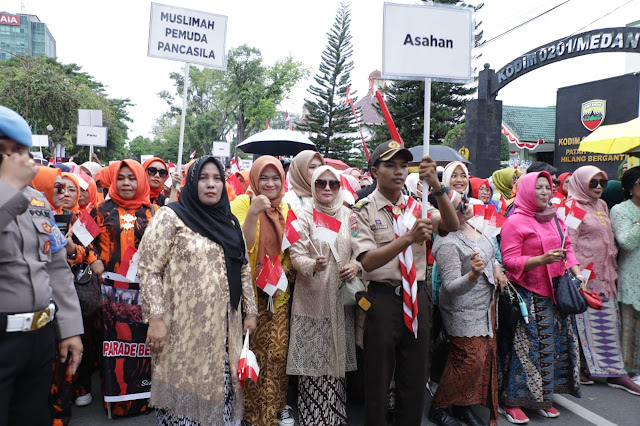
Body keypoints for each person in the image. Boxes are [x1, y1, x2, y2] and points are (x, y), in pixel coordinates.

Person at [138, 156, 258, 425]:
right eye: (203, 178)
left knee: (221, 396)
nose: (211, 185)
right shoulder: (171, 217)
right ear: (192, 183)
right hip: (181, 331)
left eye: (216, 178)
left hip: (224, 332)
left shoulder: (230, 224)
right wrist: (155, 318)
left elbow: (242, 269)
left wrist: (250, 311)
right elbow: (148, 268)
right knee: (184, 400)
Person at [350, 140, 459, 425]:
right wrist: (408, 239)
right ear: (374, 171)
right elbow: (368, 261)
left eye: (403, 166)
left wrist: (438, 187)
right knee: (378, 377)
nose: (399, 172)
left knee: (414, 376)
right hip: (382, 300)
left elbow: (451, 225)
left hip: (417, 297)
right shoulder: (362, 209)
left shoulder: (418, 205)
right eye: (390, 165)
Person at [0, 105, 83, 425]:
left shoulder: (37, 200)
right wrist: (8, 189)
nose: (13, 159)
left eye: (19, 150)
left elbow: (56, 268)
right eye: (3, 152)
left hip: (38, 338)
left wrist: (71, 328)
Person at [499, 171, 582, 424]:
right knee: (527, 350)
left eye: (548, 187)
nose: (546, 192)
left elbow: (567, 248)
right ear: (526, 190)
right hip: (529, 295)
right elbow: (510, 261)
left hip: (556, 294)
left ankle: (542, 399)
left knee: (553, 347)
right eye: (539, 188)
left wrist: (578, 274)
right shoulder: (515, 222)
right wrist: (541, 260)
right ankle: (511, 402)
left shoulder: (554, 217)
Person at [287, 166, 359, 425]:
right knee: (313, 367)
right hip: (312, 300)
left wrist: (356, 265)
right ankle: (313, 419)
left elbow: (359, 250)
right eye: (321, 183)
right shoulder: (299, 216)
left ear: (340, 188)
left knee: (335, 368)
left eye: (333, 184)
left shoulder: (350, 216)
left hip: (340, 301)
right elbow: (295, 255)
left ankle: (335, 418)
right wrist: (311, 265)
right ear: (313, 186)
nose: (327, 188)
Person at [231, 156, 296, 426]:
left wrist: (284, 273)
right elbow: (240, 247)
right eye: (264, 178)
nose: (270, 184)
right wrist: (255, 212)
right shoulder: (242, 203)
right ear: (254, 180)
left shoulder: (287, 207)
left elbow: (292, 249)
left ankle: (275, 409)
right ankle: (247, 413)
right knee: (250, 353)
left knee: (277, 355)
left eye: (275, 178)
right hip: (250, 294)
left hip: (278, 294)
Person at [429, 199, 507, 426]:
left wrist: (496, 268)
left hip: (486, 307)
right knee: (468, 361)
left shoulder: (480, 226)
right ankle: (439, 407)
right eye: (457, 203)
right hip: (461, 309)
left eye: (465, 200)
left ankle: (462, 406)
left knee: (482, 360)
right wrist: (472, 276)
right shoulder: (446, 241)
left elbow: (492, 256)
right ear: (447, 211)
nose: (464, 205)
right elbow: (451, 286)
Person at [87, 159, 154, 417]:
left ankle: (142, 402)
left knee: (140, 347)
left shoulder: (153, 212)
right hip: (110, 292)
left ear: (140, 180)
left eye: (132, 178)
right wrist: (93, 260)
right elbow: (81, 239)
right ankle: (115, 403)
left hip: (144, 291)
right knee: (114, 346)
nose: (126, 183)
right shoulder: (100, 209)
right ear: (114, 181)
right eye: (122, 178)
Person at [567, 166, 640, 394]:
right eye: (593, 183)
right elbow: (569, 243)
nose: (599, 187)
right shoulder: (574, 207)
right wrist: (578, 274)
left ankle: (611, 371)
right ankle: (583, 367)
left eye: (602, 183)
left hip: (606, 272)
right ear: (581, 184)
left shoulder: (601, 205)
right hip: (585, 273)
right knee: (582, 321)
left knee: (605, 320)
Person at [610, 166, 640, 385]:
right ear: (630, 187)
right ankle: (626, 372)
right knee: (630, 323)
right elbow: (626, 243)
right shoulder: (621, 210)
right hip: (631, 273)